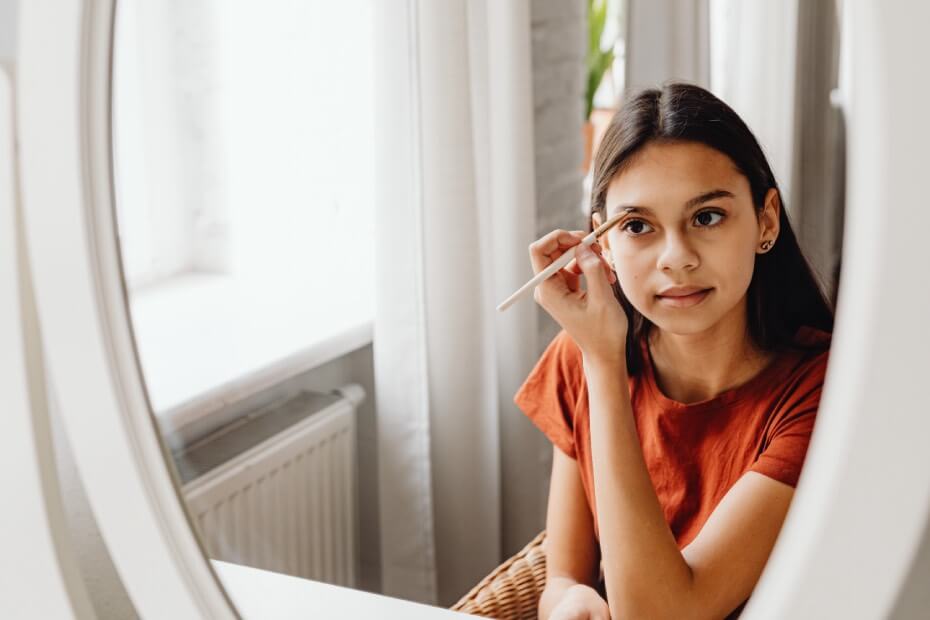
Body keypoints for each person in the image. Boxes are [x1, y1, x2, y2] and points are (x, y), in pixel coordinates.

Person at [515, 82, 833, 620]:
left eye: (707, 216)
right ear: (605, 246)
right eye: (637, 227)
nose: (676, 258)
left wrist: (604, 365)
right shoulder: (580, 356)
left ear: (766, 220)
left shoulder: (822, 390)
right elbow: (564, 573)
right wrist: (569, 600)